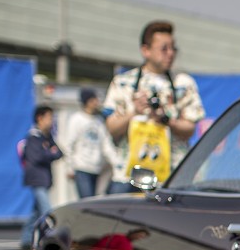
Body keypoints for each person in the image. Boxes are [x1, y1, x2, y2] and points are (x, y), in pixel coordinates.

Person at [104, 20, 204, 193]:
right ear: (146, 50)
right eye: (164, 48)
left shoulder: (184, 83)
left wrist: (166, 120)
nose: (170, 54)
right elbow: (111, 127)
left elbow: (190, 129)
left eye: (173, 48)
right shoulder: (123, 83)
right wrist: (134, 112)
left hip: (170, 177)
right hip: (128, 176)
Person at [18, 105, 63, 250]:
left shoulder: (47, 137)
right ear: (40, 118)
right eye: (49, 118)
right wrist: (50, 153)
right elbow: (36, 157)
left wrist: (50, 152)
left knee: (35, 212)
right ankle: (54, 239)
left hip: (45, 178)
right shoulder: (33, 137)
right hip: (36, 179)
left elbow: (60, 152)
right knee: (46, 210)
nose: (51, 121)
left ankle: (25, 239)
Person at [61, 87, 117, 198]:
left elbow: (106, 144)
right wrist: (69, 167)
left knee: (93, 199)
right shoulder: (76, 119)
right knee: (86, 200)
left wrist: (117, 163)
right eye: (93, 100)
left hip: (96, 168)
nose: (96, 102)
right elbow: (68, 144)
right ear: (86, 102)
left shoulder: (99, 121)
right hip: (81, 167)